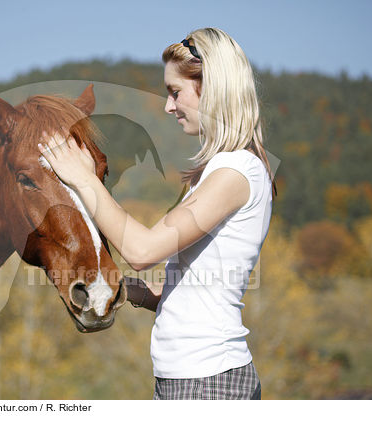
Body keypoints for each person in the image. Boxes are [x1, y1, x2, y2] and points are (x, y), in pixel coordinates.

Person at [38, 27, 276, 400]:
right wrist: (135, 291)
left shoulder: (234, 173)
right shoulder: (222, 170)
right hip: (188, 379)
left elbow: (143, 250)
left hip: (209, 383)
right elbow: (197, 289)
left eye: (175, 92)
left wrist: (85, 180)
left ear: (212, 89)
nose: (168, 106)